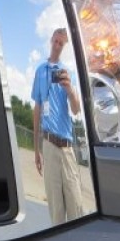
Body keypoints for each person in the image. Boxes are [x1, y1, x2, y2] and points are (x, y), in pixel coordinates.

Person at [32, 28, 84, 224]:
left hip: (68, 147)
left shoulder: (67, 73)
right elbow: (37, 109)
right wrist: (36, 150)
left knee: (76, 207)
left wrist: (69, 89)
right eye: (55, 41)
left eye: (61, 43)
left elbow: (77, 109)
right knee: (56, 212)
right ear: (51, 40)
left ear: (64, 46)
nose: (57, 45)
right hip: (49, 145)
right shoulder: (40, 71)